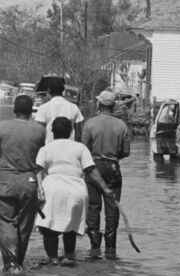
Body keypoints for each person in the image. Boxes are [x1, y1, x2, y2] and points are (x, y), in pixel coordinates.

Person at [36, 117, 114, 266]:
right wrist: (105, 189)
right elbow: (91, 169)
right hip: (76, 190)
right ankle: (69, 258)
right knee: (70, 228)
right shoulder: (80, 148)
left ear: (52, 132)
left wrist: (39, 188)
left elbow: (38, 170)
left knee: (48, 229)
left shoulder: (45, 148)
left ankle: (52, 259)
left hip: (53, 190)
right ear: (71, 131)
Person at [0, 95, 46, 273]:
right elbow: (43, 156)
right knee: (25, 225)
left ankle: (10, 264)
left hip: (6, 182)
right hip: (30, 182)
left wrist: (1, 159)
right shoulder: (40, 130)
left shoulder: (2, 127)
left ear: (14, 109)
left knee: (6, 222)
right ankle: (19, 262)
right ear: (31, 110)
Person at [82, 90, 132, 260]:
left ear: (99, 105)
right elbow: (126, 152)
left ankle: (94, 246)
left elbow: (83, 149)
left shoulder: (90, 124)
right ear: (113, 106)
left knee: (93, 206)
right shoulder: (121, 126)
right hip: (113, 167)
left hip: (93, 166)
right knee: (112, 207)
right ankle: (111, 248)